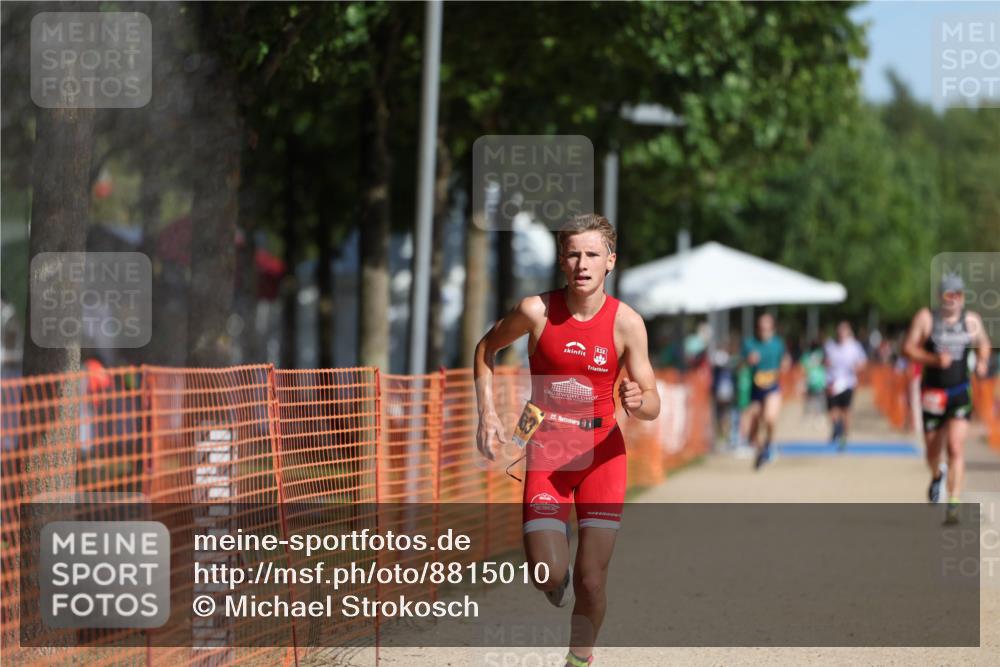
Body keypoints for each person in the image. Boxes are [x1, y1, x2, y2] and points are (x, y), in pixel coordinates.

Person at [474, 213, 660, 667]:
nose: (582, 263)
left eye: (592, 254)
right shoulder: (535, 311)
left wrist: (639, 399)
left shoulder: (627, 323)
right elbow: (485, 349)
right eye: (574, 253)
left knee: (592, 580)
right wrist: (487, 414)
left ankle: (579, 660)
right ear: (562, 260)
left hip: (603, 455)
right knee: (547, 573)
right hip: (547, 449)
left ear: (610, 262)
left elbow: (653, 401)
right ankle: (554, 582)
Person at [902, 273, 992, 524]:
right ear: (940, 296)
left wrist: (983, 360)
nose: (953, 299)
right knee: (933, 451)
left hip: (959, 393)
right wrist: (933, 360)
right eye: (948, 294)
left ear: (963, 297)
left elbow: (983, 342)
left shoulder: (971, 320)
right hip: (932, 394)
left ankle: (953, 502)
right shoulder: (926, 318)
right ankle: (936, 474)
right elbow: (907, 348)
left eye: (958, 294)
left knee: (955, 447)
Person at [742, 312, 789, 470]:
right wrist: (747, 361)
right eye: (761, 327)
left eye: (767, 327)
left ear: (772, 328)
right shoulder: (749, 344)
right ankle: (762, 451)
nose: (764, 330)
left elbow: (785, 359)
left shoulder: (778, 344)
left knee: (769, 418)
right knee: (750, 431)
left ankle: (770, 444)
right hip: (755, 390)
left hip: (772, 388)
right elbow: (739, 364)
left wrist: (785, 363)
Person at [824, 322, 867, 450]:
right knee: (832, 410)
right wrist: (826, 363)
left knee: (846, 410)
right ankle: (836, 426)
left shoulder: (854, 346)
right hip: (832, 382)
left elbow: (863, 362)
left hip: (848, 382)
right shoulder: (829, 345)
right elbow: (824, 360)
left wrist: (857, 367)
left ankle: (844, 436)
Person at [801, 340, 826, 417]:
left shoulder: (821, 354)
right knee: (810, 401)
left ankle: (818, 414)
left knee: (819, 400)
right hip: (810, 382)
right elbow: (803, 368)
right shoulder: (806, 355)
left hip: (819, 382)